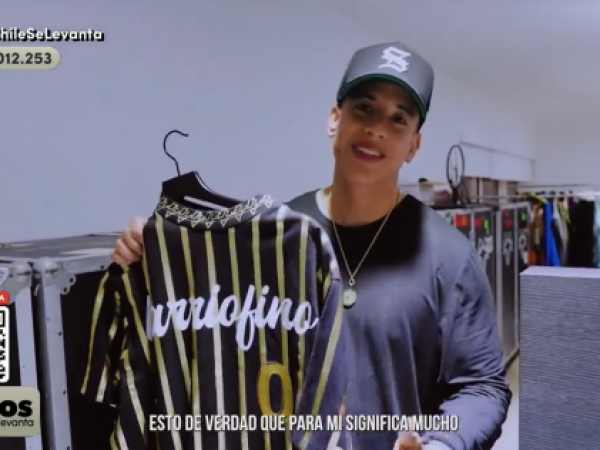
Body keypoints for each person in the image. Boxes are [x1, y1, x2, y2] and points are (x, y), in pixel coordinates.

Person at [111, 41, 511, 450]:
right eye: (364, 108)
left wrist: (441, 444)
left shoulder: (449, 256)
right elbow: (216, 337)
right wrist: (151, 253)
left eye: (398, 119)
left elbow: (483, 387)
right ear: (334, 120)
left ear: (413, 146)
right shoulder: (273, 238)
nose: (376, 129)